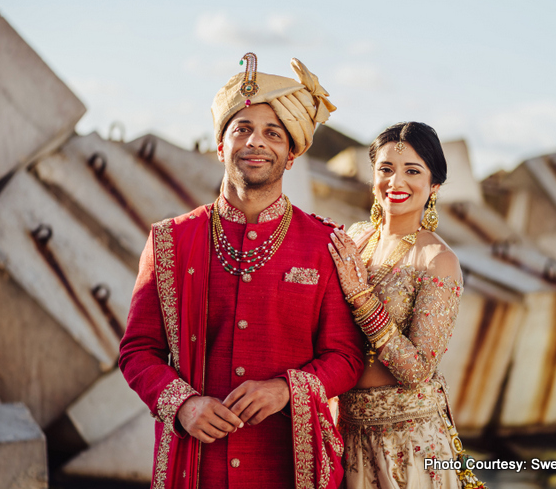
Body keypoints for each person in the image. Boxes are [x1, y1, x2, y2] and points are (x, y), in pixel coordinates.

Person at [119, 52, 364, 489]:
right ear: (220, 145)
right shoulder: (169, 242)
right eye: (243, 130)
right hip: (196, 466)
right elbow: (138, 351)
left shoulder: (324, 246)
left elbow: (346, 358)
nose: (256, 142)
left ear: (291, 154)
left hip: (285, 466)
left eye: (273, 133)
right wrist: (184, 405)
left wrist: (285, 389)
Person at [328, 122, 484, 488]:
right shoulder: (355, 239)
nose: (396, 182)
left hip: (407, 446)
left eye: (412, 171)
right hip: (346, 434)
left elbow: (415, 370)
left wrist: (361, 297)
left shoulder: (437, 260)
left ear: (434, 186)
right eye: (386, 169)